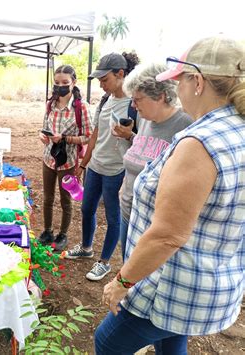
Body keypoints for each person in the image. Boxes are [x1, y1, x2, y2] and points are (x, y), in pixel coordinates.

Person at [96, 36, 245, 354]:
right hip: (209, 277)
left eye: (180, 81)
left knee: (108, 342)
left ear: (199, 82)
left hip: (174, 280)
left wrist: (120, 283)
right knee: (169, 339)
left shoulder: (199, 141)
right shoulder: (235, 129)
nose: (177, 91)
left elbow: (167, 235)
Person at [65, 52, 140, 282]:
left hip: (117, 170)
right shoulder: (106, 100)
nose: (101, 84)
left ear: (121, 74)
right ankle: (87, 248)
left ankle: (105, 262)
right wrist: (84, 163)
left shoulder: (135, 104)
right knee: (87, 208)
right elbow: (96, 132)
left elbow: (143, 140)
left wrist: (130, 135)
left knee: (113, 216)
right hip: (97, 166)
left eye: (104, 79)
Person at [116, 63, 193, 260]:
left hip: (150, 223)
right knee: (127, 264)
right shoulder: (145, 120)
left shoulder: (186, 125)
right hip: (127, 212)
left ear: (160, 96)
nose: (133, 105)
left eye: (137, 99)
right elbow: (143, 152)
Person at [38, 65, 90, 251]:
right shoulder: (50, 104)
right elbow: (44, 126)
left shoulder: (81, 108)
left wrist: (66, 138)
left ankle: (62, 234)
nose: (60, 86)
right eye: (57, 83)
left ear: (73, 83)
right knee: (48, 197)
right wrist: (42, 136)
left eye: (65, 83)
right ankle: (47, 231)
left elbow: (88, 136)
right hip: (49, 158)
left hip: (68, 160)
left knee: (65, 200)